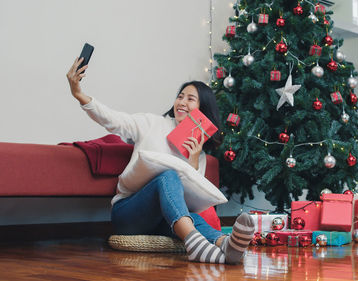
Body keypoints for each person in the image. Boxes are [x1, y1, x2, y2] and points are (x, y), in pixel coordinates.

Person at [66, 57, 255, 264]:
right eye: (180, 96)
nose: (182, 102)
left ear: (203, 108)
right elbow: (113, 120)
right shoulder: (152, 123)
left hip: (163, 220)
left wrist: (192, 162)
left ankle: (226, 245)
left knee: (193, 218)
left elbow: (191, 202)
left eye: (190, 99)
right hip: (128, 214)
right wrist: (79, 95)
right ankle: (194, 243)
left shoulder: (199, 154)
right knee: (168, 175)